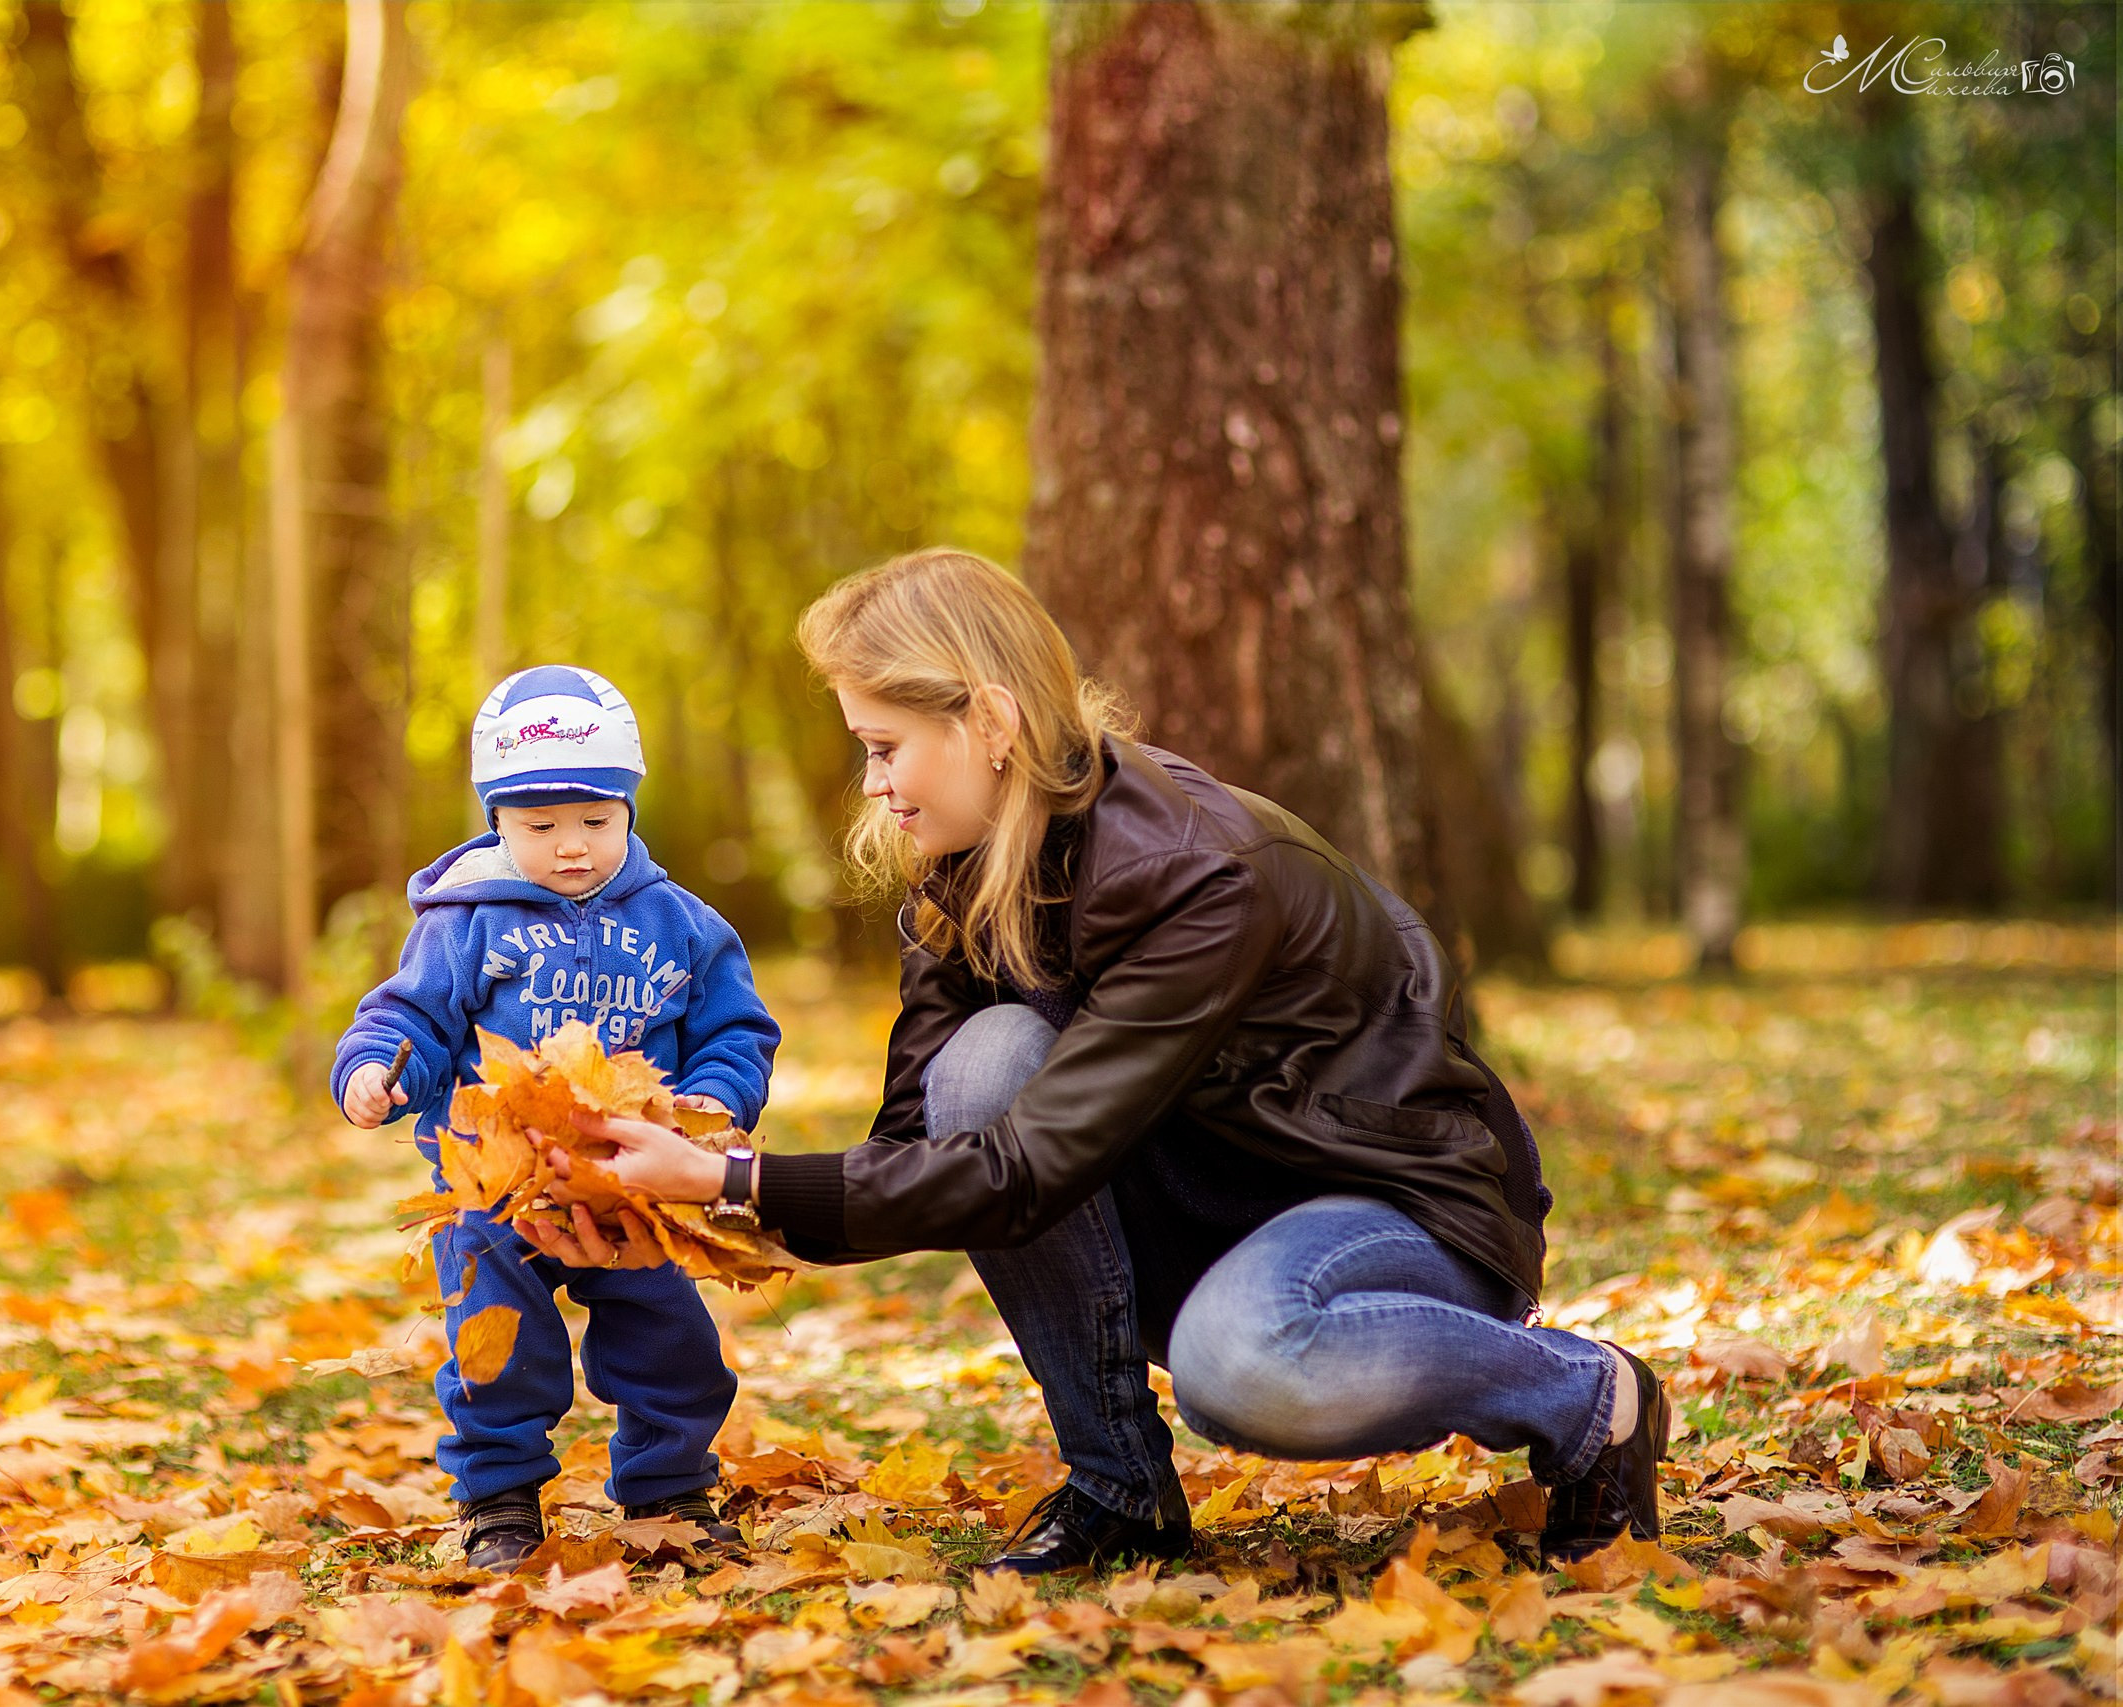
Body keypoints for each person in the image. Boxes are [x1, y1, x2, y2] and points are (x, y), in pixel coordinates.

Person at [517, 551, 1667, 1576]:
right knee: (984, 1065)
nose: (872, 784)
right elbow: (916, 1147)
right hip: (1206, 1199)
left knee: (1240, 1365)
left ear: (990, 720)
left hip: (1397, 1214)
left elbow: (1024, 1169)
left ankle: (1588, 1397)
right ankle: (1120, 1491)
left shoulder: (1198, 874)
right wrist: (684, 1219)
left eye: (883, 748)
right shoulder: (962, 869)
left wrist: (731, 1181)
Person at [335, 664, 781, 1572]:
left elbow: (736, 1028)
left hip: (636, 1179)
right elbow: (410, 1016)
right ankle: (500, 1498)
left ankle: (671, 1491)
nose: (572, 846)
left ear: (629, 808)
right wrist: (377, 1070)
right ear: (496, 820)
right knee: (495, 1344)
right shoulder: (465, 922)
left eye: (597, 821)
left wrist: (714, 1101)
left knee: (672, 1341)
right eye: (541, 827)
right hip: (499, 1186)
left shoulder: (683, 925)